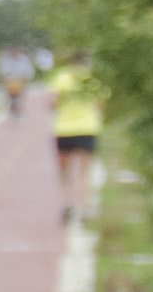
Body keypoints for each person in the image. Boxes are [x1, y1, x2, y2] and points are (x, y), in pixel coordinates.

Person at [45, 48, 107, 222]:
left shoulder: (60, 78)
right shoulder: (92, 79)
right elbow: (101, 105)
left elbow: (52, 103)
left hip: (64, 129)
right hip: (87, 128)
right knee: (84, 173)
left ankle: (67, 203)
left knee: (64, 172)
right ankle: (85, 207)